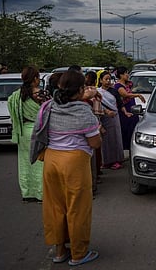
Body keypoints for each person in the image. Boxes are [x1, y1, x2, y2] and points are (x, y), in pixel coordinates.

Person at [41, 70, 101, 265]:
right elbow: (94, 143)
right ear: (81, 89)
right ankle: (79, 253)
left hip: (51, 160)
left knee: (55, 207)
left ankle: (59, 251)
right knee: (77, 208)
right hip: (74, 162)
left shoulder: (48, 106)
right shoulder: (82, 111)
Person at [7, 66, 48, 203]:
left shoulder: (16, 95)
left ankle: (27, 193)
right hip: (38, 131)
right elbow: (49, 112)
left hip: (23, 132)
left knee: (25, 163)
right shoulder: (41, 94)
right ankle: (40, 193)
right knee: (40, 162)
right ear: (35, 78)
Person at [97, 71, 125, 170]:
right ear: (100, 80)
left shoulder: (113, 91)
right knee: (104, 140)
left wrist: (125, 112)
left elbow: (120, 104)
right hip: (103, 118)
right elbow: (96, 105)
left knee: (115, 138)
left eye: (109, 79)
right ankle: (106, 161)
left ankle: (116, 160)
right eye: (106, 79)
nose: (108, 81)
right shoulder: (97, 92)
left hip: (114, 117)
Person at [114, 66, 146, 150]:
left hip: (132, 108)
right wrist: (138, 95)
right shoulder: (118, 86)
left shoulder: (127, 84)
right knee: (126, 128)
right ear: (121, 75)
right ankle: (125, 147)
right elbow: (125, 94)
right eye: (125, 73)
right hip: (125, 109)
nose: (127, 75)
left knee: (132, 127)